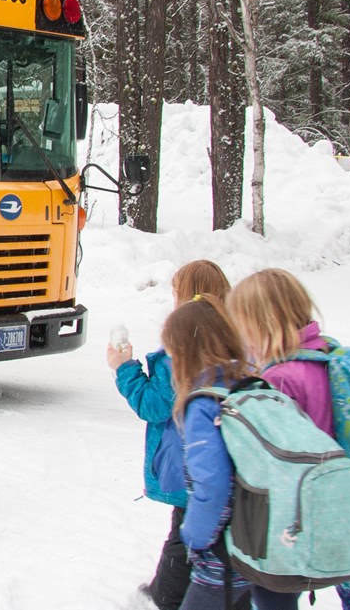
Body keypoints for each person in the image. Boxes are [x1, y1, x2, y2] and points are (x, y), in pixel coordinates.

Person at [227, 269, 350, 610]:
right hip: (349, 503)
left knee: (273, 593)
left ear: (259, 324)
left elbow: (267, 458)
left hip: (298, 513)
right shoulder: (329, 356)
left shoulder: (280, 379)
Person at [107, 260, 232, 610]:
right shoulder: (235, 339)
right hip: (225, 457)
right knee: (213, 528)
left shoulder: (182, 352)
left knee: (183, 531)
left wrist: (124, 368)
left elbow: (153, 405)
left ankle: (166, 595)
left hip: (188, 458)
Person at [162, 295, 290, 610]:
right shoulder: (259, 387)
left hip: (225, 554)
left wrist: (192, 536)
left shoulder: (206, 403)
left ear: (184, 353)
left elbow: (213, 485)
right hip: (272, 542)